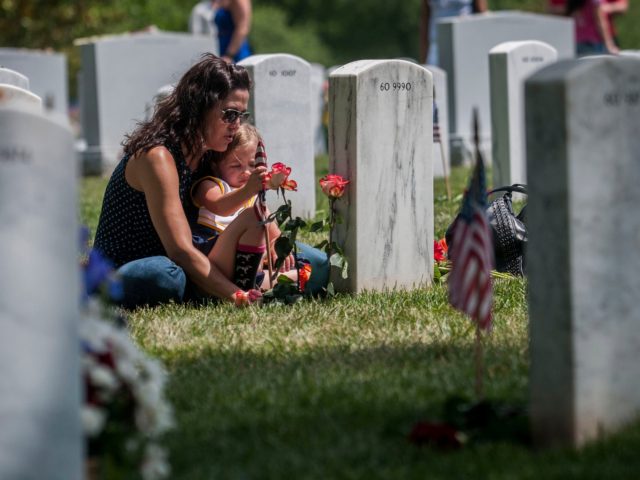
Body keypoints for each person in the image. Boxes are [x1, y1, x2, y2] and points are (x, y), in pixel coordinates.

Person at [94, 54, 288, 308]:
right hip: (132, 267)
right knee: (166, 275)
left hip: (194, 256)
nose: (236, 125)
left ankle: (221, 283)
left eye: (242, 115)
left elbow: (239, 209)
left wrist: (273, 242)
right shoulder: (158, 156)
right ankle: (237, 286)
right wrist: (235, 296)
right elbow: (180, 250)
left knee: (310, 261)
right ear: (199, 107)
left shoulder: (207, 153)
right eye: (229, 114)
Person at [190, 123, 297, 290]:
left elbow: (274, 235)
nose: (247, 172)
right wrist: (249, 191)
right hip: (213, 263)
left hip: (244, 268)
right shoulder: (210, 185)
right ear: (215, 165)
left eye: (253, 165)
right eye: (236, 165)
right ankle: (248, 289)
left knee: (303, 272)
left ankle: (251, 287)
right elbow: (220, 206)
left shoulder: (252, 196)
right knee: (254, 215)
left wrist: (277, 249)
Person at [420, 0, 489, 65]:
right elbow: (425, 19)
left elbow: (482, 14)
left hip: (466, 46)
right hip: (437, 48)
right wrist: (424, 61)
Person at [547, 0, 627, 51]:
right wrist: (609, 44)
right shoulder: (595, 2)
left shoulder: (572, 3)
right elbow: (600, 22)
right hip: (593, 43)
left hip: (575, 42)